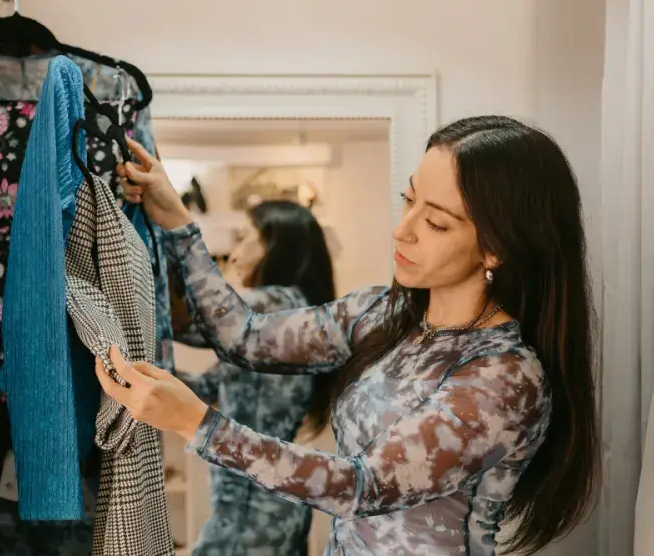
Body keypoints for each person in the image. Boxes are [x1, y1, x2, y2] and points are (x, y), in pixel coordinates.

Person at [102, 115, 600, 555]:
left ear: (496, 249)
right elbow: (245, 336)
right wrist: (177, 221)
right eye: (408, 201)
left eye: (435, 222)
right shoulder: (384, 313)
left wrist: (197, 423)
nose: (402, 230)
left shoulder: (505, 378)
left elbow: (361, 487)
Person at [174, 200, 336, 556]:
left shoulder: (274, 305)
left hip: (252, 504)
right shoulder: (282, 321)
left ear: (275, 247)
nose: (234, 253)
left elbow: (191, 323)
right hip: (276, 500)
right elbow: (206, 388)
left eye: (245, 237)